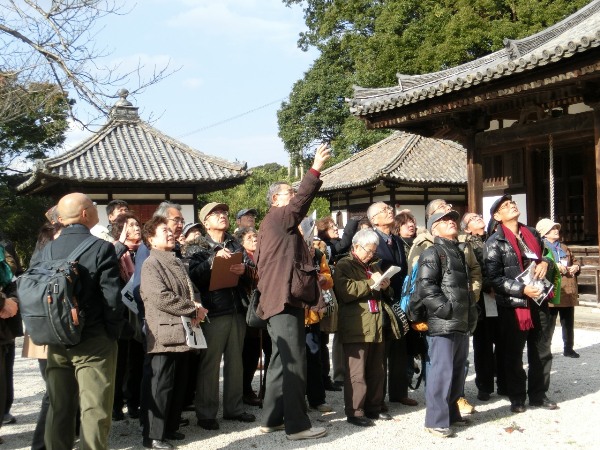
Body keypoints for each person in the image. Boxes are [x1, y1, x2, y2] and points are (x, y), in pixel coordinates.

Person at [34, 193, 123, 449]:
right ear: (85, 214)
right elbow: (112, 299)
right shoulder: (101, 247)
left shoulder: (47, 248)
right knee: (95, 409)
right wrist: (113, 332)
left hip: (56, 338)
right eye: (93, 206)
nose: (97, 209)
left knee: (59, 407)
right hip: (93, 338)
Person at [254, 143, 330, 441]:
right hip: (283, 300)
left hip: (278, 299)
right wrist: (315, 168)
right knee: (295, 361)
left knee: (279, 361)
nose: (294, 197)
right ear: (276, 199)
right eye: (289, 192)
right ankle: (297, 426)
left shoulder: (273, 224)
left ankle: (272, 418)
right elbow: (300, 203)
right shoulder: (279, 217)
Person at [407, 198, 481, 415]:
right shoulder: (432, 252)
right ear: (434, 228)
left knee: (457, 371)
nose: (451, 221)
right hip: (444, 321)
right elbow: (425, 286)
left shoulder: (458, 251)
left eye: (452, 219)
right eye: (444, 219)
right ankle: (437, 420)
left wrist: (468, 309)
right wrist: (445, 309)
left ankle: (452, 414)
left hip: (460, 320)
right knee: (441, 372)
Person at [484, 195, 556, 413]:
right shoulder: (494, 242)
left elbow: (547, 257)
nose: (511, 206)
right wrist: (521, 289)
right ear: (497, 216)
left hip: (539, 299)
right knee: (513, 353)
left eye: (511, 203)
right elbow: (493, 278)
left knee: (542, 350)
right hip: (515, 304)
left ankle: (538, 395)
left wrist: (546, 263)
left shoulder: (531, 233)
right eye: (505, 206)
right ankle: (517, 397)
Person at [140, 216, 207, 449]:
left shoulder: (175, 260)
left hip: (183, 330)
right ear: (151, 239)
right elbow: (160, 297)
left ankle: (169, 427)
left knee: (177, 383)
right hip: (163, 333)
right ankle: (153, 435)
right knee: (160, 385)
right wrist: (192, 307)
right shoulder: (151, 264)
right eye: (163, 231)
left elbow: (191, 289)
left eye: (170, 230)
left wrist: (196, 304)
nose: (170, 233)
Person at [188, 202, 255, 430]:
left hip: (237, 308)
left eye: (224, 213)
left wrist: (244, 271)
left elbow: (252, 275)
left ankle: (234, 408)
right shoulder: (196, 245)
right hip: (212, 311)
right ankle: (206, 413)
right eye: (216, 214)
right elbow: (192, 278)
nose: (222, 216)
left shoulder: (235, 243)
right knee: (210, 363)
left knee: (236, 362)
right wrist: (212, 261)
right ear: (205, 221)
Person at [333, 228, 402, 427]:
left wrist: (385, 284)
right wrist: (371, 283)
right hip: (356, 324)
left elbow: (383, 290)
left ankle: (374, 407)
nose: (371, 254)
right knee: (356, 372)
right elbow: (346, 291)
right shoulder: (344, 265)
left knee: (377, 369)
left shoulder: (373, 265)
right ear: (356, 246)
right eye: (368, 250)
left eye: (374, 251)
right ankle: (355, 411)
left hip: (376, 323)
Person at [367, 201, 414, 408]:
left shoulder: (396, 240)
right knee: (380, 352)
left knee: (400, 347)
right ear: (374, 219)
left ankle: (399, 392)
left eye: (389, 208)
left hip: (398, 300)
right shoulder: (370, 239)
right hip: (379, 298)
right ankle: (378, 398)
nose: (389, 211)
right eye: (384, 210)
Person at [460, 212, 505, 401]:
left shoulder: (494, 239)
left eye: (479, 216)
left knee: (504, 343)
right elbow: (470, 270)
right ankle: (484, 385)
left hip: (501, 295)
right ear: (467, 227)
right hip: (481, 298)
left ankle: (504, 383)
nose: (478, 218)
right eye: (472, 219)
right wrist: (488, 285)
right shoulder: (466, 244)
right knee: (483, 345)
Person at [315, 215, 360, 392]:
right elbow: (343, 244)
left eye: (336, 226)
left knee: (325, 339)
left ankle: (326, 377)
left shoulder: (334, 244)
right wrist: (353, 222)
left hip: (332, 294)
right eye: (332, 226)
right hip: (323, 297)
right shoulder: (324, 246)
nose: (335, 229)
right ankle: (326, 378)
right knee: (320, 340)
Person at [110, 213, 144, 421]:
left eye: (137, 223)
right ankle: (115, 405)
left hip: (139, 312)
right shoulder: (114, 250)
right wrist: (120, 244)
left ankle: (134, 403)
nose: (137, 227)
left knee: (138, 361)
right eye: (131, 225)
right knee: (119, 363)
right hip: (122, 314)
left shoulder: (143, 252)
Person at [234, 227, 271, 407]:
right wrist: (249, 272)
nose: (255, 239)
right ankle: (245, 390)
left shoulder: (264, 255)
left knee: (269, 351)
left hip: (267, 308)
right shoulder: (240, 258)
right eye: (250, 237)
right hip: (249, 310)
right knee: (249, 354)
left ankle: (267, 390)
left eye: (256, 236)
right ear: (241, 241)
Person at [536, 218, 581, 358]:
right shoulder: (540, 248)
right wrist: (554, 266)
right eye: (552, 229)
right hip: (552, 288)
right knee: (548, 324)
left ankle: (569, 348)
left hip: (567, 288)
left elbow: (575, 260)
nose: (556, 231)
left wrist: (576, 266)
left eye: (556, 228)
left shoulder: (564, 247)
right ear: (544, 233)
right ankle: (545, 350)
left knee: (568, 322)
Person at [0, 242, 19, 445]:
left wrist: (12, 301)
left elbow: (13, 279)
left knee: (4, 377)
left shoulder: (3, 249)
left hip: (4, 327)